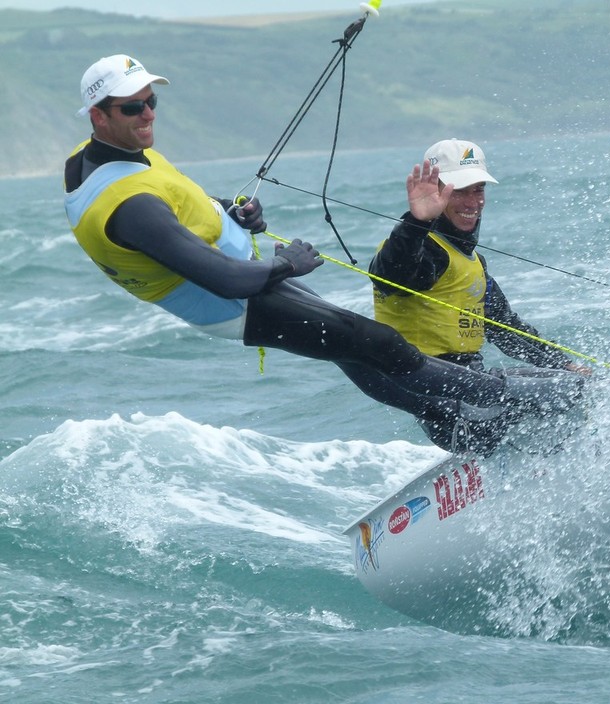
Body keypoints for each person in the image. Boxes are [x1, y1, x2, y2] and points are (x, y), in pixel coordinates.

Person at [63, 54, 581, 454]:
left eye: (150, 100)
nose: (147, 113)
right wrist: (287, 262)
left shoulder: (110, 159)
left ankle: (459, 419)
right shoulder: (128, 207)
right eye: (132, 106)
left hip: (252, 281)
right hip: (238, 304)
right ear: (98, 116)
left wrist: (233, 212)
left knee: (357, 353)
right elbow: (224, 280)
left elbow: (180, 207)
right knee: (374, 343)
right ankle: (538, 399)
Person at [366, 139, 589, 446]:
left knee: (580, 384)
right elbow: (392, 275)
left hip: (476, 387)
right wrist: (416, 223)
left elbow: (506, 328)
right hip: (448, 404)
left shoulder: (469, 261)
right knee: (582, 393)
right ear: (435, 190)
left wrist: (562, 364)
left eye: (478, 189)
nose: (472, 202)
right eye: (459, 191)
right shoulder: (422, 250)